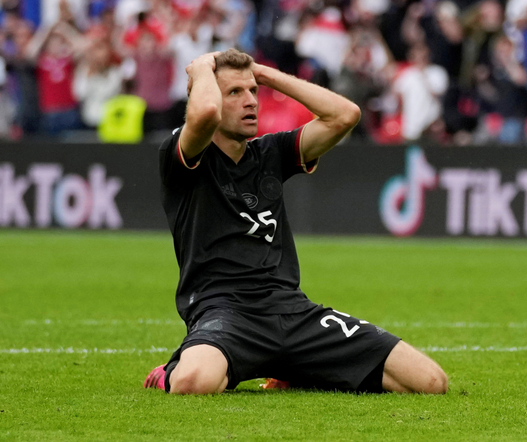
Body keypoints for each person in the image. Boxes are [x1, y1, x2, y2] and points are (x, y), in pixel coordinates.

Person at [144, 48, 448, 395]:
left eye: (253, 92)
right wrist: (200, 69)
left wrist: (266, 74)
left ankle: (294, 368)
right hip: (225, 312)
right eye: (235, 92)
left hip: (291, 311)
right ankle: (169, 371)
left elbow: (345, 115)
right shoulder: (182, 155)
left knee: (430, 382)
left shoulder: (271, 152)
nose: (251, 102)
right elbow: (206, 113)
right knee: (192, 382)